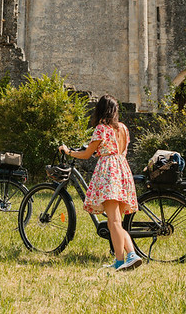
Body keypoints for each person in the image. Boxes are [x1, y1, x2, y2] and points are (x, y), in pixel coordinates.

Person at [59, 95, 142, 271]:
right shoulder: (124, 129)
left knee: (114, 222)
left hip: (109, 173)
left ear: (100, 109)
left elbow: (87, 154)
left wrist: (69, 152)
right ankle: (120, 262)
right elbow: (121, 151)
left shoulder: (101, 129)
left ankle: (131, 255)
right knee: (116, 221)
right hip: (122, 171)